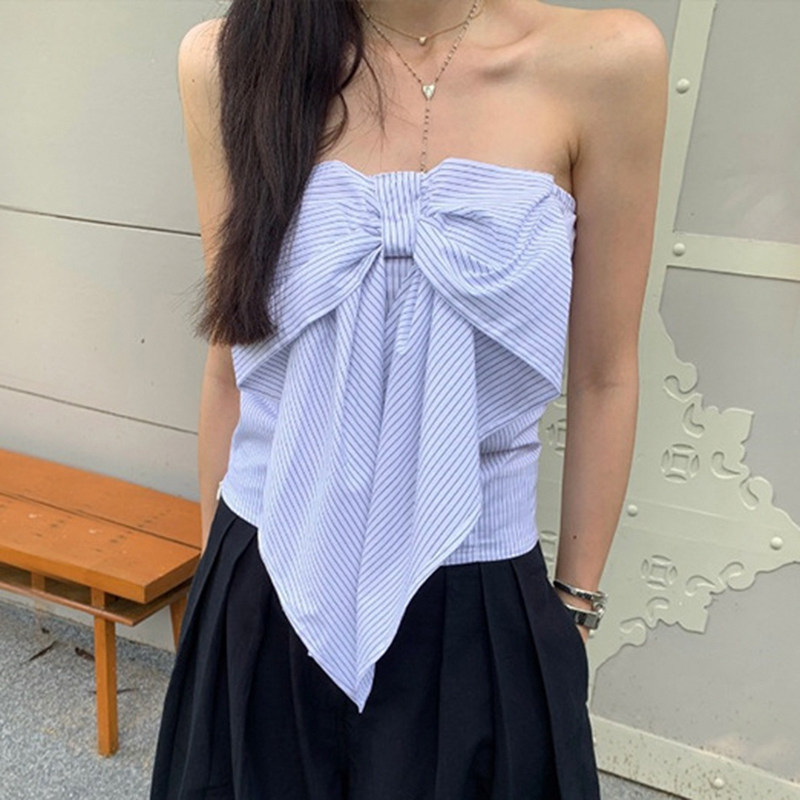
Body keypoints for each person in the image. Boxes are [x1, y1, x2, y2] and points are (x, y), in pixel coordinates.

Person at [150, 0, 667, 797]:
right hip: (265, 577)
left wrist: (572, 610)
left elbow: (606, 374)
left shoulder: (606, 64)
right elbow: (231, 363)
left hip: (481, 598)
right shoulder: (230, 60)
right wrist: (222, 601)